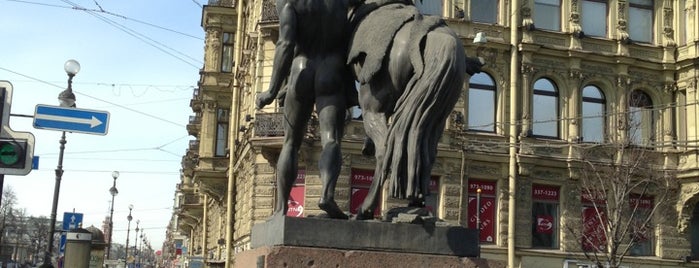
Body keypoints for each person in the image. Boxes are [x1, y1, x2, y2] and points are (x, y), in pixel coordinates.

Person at [256, 0, 357, 219]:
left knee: (291, 143)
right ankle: (326, 195)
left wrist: (271, 91)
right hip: (331, 71)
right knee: (331, 140)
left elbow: (285, 44)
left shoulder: (290, 2)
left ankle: (281, 209)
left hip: (301, 70)